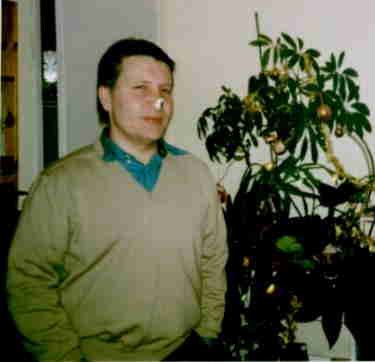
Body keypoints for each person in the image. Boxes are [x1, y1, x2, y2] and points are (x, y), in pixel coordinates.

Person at [6, 38, 228, 361]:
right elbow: (29, 285)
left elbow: (213, 263)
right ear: (105, 98)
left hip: (185, 350)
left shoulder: (196, 175)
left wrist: (207, 333)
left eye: (165, 91)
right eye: (141, 88)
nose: (158, 103)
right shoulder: (61, 184)